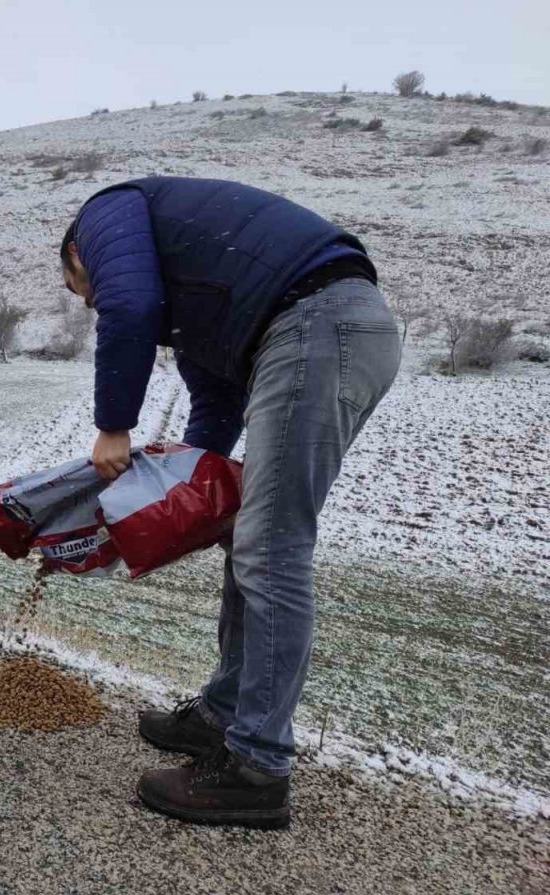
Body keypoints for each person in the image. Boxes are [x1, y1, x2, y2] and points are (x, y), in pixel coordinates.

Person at [60, 176, 401, 828]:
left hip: (315, 322)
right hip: (323, 326)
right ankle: (222, 715)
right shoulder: (200, 304)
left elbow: (127, 305)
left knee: (272, 546)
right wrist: (188, 494)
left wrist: (113, 426)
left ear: (77, 256)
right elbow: (215, 403)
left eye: (83, 292)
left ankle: (256, 766)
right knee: (249, 529)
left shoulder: (105, 213)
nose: (90, 304)